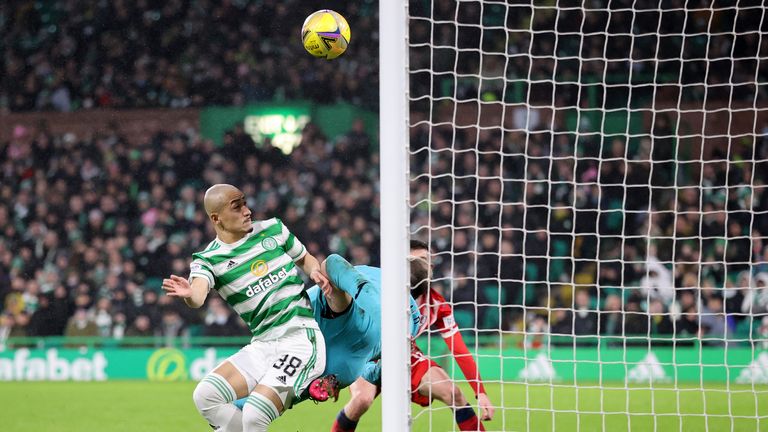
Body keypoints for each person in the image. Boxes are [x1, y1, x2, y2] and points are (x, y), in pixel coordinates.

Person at [161, 184, 330, 432]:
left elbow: (304, 258)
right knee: (206, 395)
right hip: (262, 345)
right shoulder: (209, 260)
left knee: (254, 413)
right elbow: (198, 296)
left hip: (300, 340)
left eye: (245, 203)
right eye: (237, 207)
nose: (247, 211)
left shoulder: (273, 229)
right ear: (216, 219)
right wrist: (188, 294)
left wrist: (314, 269)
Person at [332, 240, 494, 432]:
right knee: (362, 400)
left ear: (431, 268)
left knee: (453, 393)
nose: (421, 266)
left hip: (405, 355)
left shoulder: (436, 304)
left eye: (425, 261)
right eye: (414, 261)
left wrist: (480, 392)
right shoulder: (376, 289)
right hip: (366, 352)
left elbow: (459, 349)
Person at [233, 253, 423, 410]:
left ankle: (230, 409)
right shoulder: (413, 323)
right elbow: (378, 371)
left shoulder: (380, 276)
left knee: (331, 266)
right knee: (266, 403)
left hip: (330, 319)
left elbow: (332, 264)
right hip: (344, 364)